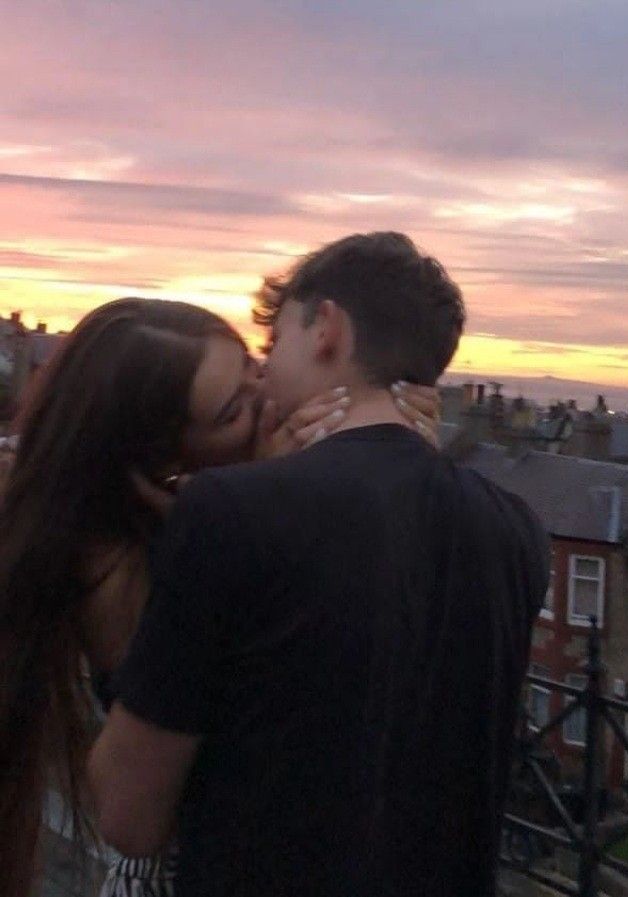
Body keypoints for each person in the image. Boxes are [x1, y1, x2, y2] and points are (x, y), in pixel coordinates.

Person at [89, 233, 550, 897]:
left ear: (326, 328)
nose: (266, 372)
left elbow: (128, 816)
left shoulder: (232, 510)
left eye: (274, 344)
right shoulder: (517, 530)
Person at [0, 295, 439, 897]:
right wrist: (265, 497)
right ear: (161, 462)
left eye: (255, 368)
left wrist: (398, 454)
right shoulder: (114, 568)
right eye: (234, 411)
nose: (268, 400)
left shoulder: (191, 513)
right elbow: (157, 794)